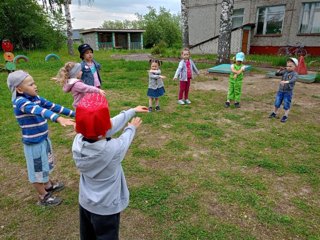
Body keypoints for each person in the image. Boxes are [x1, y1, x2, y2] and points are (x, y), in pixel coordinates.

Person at [72, 93, 148, 239]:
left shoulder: (77, 141)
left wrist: (131, 111)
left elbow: (104, 127)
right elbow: (124, 138)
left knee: (87, 236)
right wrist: (131, 127)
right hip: (106, 207)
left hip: (86, 202)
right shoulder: (113, 149)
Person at [7, 70, 75, 206]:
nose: (35, 86)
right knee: (37, 170)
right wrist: (58, 118)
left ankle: (48, 185)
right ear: (19, 89)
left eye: (34, 83)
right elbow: (40, 111)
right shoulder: (21, 102)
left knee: (46, 163)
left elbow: (52, 106)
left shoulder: (35, 98)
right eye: (31, 84)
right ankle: (43, 196)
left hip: (43, 138)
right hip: (33, 144)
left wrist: (75, 114)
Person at [269, 57, 298, 123]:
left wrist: (286, 81)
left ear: (295, 66)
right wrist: (279, 70)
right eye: (287, 66)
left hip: (288, 92)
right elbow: (277, 74)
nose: (288, 67)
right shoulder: (285, 71)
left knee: (286, 103)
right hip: (280, 91)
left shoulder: (294, 74)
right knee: (277, 102)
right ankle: (274, 113)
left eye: (290, 66)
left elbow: (293, 79)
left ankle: (285, 115)